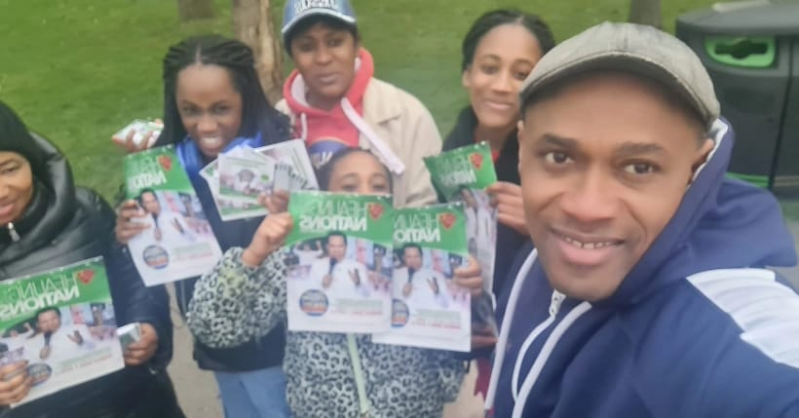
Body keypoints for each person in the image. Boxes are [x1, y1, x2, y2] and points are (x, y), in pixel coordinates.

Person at [485, 22, 799, 418]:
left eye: (639, 167)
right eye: (559, 158)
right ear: (523, 149)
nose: (586, 208)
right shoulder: (551, 246)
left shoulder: (718, 331)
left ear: (695, 169)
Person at [187, 148, 485, 417]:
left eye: (378, 186)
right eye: (349, 187)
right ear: (325, 198)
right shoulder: (296, 260)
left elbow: (458, 351)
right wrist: (253, 255)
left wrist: (467, 300)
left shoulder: (416, 257)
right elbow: (212, 327)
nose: (365, 195)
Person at [113, 35, 292, 418]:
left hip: (275, 348)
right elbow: (150, 257)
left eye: (221, 109)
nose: (206, 125)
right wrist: (129, 232)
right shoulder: (169, 168)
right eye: (190, 110)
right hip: (215, 342)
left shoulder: (277, 157)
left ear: (246, 97)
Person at [0, 101, 182, 417]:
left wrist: (148, 324)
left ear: (31, 162)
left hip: (137, 403)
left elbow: (134, 276)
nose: (2, 191)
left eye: (9, 169)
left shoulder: (85, 210)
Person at [277, 0, 441, 207]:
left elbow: (428, 206)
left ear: (356, 45)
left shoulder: (407, 115)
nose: (323, 58)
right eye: (307, 47)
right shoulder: (277, 121)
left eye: (335, 42)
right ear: (292, 56)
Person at [447, 8, 555, 295]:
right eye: (489, 68)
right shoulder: (449, 151)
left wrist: (542, 226)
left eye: (521, 74)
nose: (501, 86)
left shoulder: (561, 159)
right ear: (467, 74)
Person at [308, 231, 372, 298]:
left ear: (346, 247)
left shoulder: (358, 267)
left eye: (340, 246)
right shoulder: (317, 266)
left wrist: (358, 284)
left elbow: (367, 295)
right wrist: (322, 286)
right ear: (327, 247)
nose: (336, 250)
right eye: (332, 246)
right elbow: (308, 293)